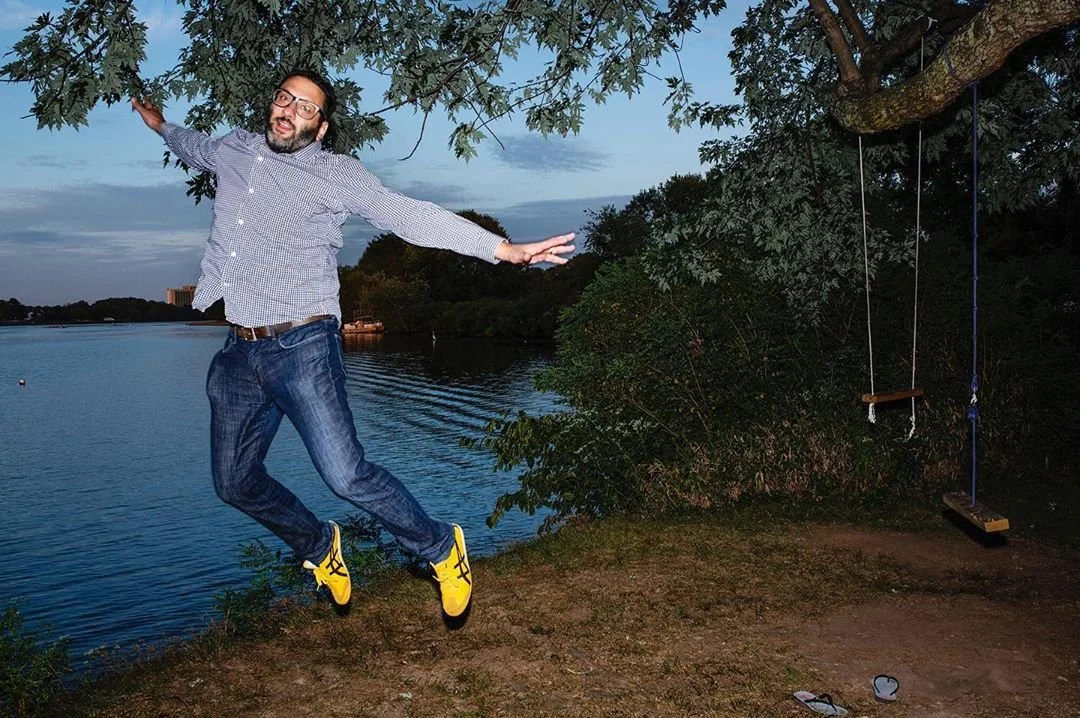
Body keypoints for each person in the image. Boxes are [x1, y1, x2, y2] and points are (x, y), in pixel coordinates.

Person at [130, 70, 574, 618]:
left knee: (345, 475)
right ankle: (320, 547)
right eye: (284, 98)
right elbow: (190, 144)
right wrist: (158, 124)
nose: (289, 110)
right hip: (238, 354)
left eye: (306, 108)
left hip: (304, 347)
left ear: (320, 128)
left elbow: (407, 215)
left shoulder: (335, 174)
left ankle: (441, 547)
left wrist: (501, 250)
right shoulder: (233, 150)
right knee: (234, 483)